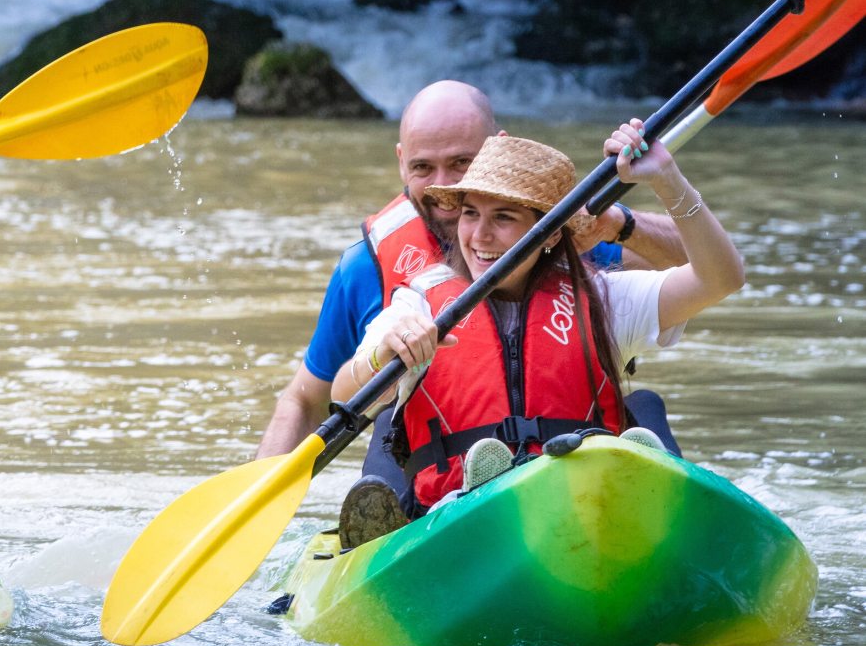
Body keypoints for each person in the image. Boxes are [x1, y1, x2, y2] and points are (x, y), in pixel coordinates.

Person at [256, 82, 686, 494]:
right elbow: (308, 401)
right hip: (441, 479)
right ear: (401, 161)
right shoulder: (366, 267)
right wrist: (257, 506)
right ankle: (377, 528)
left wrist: (621, 225)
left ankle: (664, 511)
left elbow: (700, 264)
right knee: (389, 423)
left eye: (461, 162)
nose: (443, 186)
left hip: (567, 459)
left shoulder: (549, 234)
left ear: (497, 149)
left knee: (644, 405)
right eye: (423, 167)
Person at [329, 118, 744, 535]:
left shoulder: (604, 299)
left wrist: (668, 179)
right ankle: (483, 490)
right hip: (451, 522)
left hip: (581, 507)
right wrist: (382, 355)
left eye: (504, 217)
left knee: (641, 412)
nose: (479, 235)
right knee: (425, 459)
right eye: (470, 213)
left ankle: (640, 476)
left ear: (546, 234)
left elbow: (721, 279)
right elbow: (344, 395)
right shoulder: (419, 301)